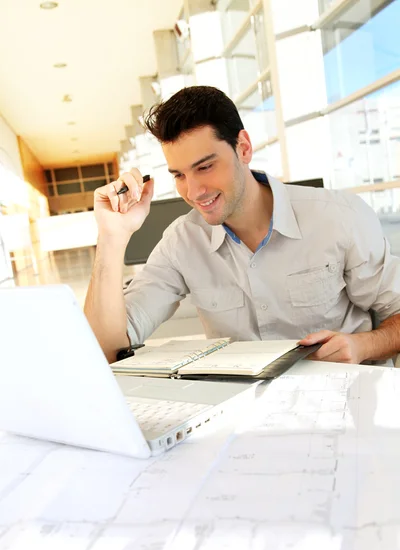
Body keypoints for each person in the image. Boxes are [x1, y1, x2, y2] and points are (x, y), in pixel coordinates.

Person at [84, 86, 400, 364]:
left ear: (243, 148)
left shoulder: (338, 217)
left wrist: (362, 345)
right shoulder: (182, 243)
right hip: (245, 423)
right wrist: (111, 236)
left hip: (348, 411)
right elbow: (105, 350)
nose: (193, 192)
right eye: (179, 175)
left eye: (205, 167)